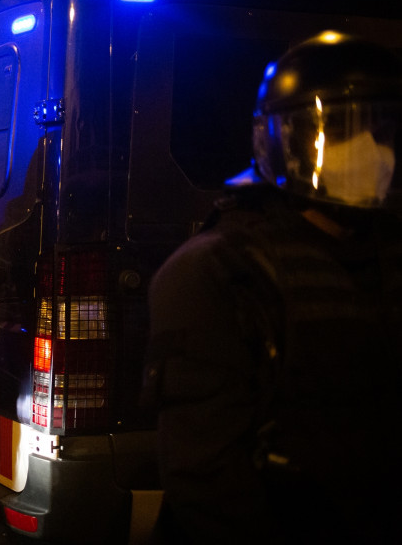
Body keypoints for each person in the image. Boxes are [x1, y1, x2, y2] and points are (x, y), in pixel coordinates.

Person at [142, 31, 402, 544]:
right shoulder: (218, 270)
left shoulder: (386, 254)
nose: (372, 151)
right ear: (285, 141)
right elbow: (208, 484)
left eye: (381, 130)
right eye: (345, 131)